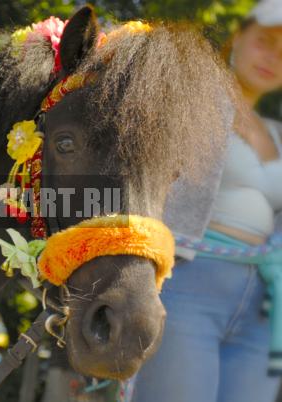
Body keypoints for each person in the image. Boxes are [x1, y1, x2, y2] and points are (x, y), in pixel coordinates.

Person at [130, 1, 282, 401]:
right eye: (265, 41)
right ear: (238, 37)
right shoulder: (191, 103)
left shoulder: (277, 133)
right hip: (187, 282)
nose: (273, 58)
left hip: (264, 304)